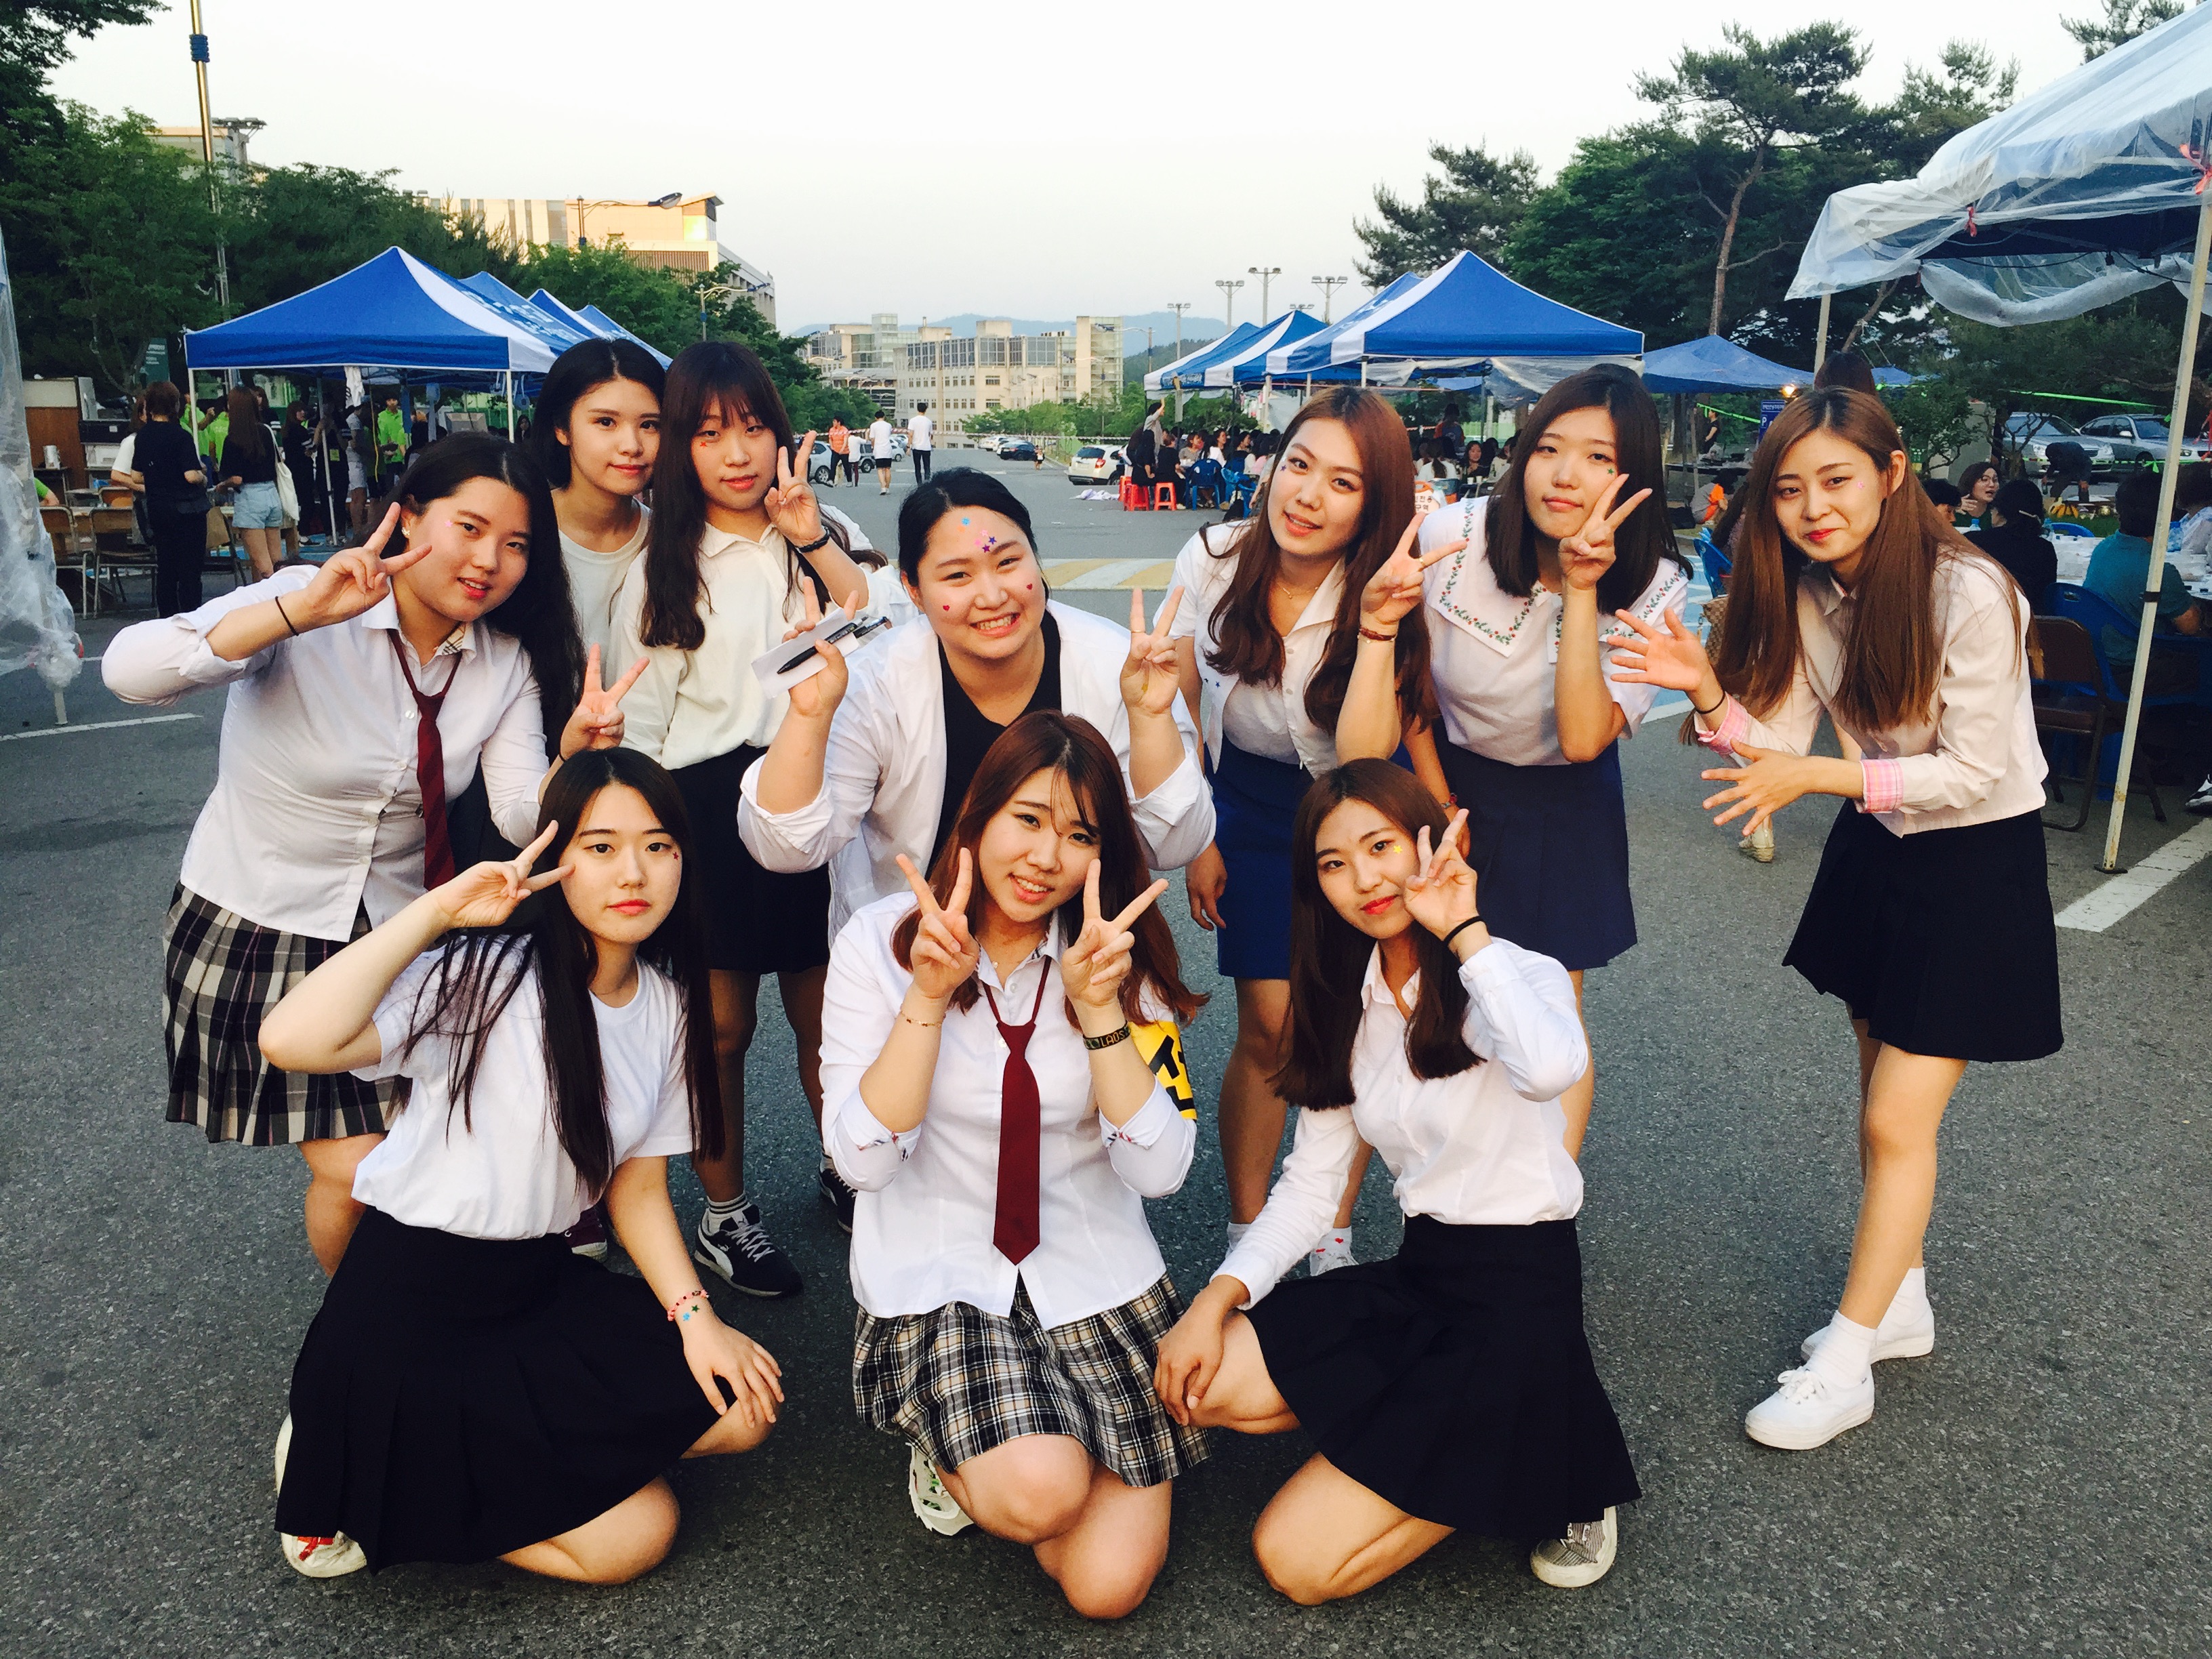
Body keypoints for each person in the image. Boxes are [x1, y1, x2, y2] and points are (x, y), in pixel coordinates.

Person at [1610, 386, 2061, 1450]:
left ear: (1893, 475)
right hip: (1880, 846)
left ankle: (1847, 1365)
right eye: (1789, 489)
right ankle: (1899, 1301)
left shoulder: (1973, 590)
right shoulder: (1817, 590)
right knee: (1875, 1097)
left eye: (1837, 479)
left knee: (1898, 1121)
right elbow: (1777, 741)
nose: (1814, 507)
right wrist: (1704, 692)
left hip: (1975, 862)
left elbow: (1974, 771)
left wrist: (1821, 776)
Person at [102, 434, 636, 1274]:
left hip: (397, 932)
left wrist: (572, 761)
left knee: (412, 1155)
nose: (489, 561)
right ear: (409, 516)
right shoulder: (306, 601)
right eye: (469, 528)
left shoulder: (503, 662)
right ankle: (364, 1337)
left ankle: (410, 1321)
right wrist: (295, 614)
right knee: (359, 1170)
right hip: (260, 921)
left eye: (517, 544)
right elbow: (131, 673)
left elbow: (515, 809)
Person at [256, 750, 780, 1580]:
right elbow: (290, 1041)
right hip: (413, 1310)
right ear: (556, 859)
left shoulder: (669, 1006)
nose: (633, 873)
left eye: (658, 846)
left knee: (742, 1410)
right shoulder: (483, 977)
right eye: (601, 848)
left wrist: (696, 1318)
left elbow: (639, 1186)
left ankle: (421, 1460)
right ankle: (356, 1469)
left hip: (539, 1288)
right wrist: (436, 913)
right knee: (635, 1539)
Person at [1151, 760, 1637, 1601]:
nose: (1364, 879)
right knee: (1206, 1382)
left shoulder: (1515, 970)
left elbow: (1552, 1069)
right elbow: (1311, 1188)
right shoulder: (1346, 1003)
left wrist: (1465, 931)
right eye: (1334, 863)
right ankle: (1454, 1434)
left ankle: (1554, 1457)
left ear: (1430, 842)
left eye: (1380, 847)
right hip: (1424, 1275)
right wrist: (1212, 1303)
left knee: (1295, 1563)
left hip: (1522, 1299)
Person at [737, 468, 1213, 1225]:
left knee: (1075, 1144)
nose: (992, 595)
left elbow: (1173, 837)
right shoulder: (878, 678)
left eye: (1009, 561)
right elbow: (788, 845)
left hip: (1069, 951)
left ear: (1037, 560)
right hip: (921, 955)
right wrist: (810, 716)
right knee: (903, 1154)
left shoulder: (1110, 663)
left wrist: (1152, 718)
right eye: (956, 575)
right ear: (913, 590)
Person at [821, 711, 1206, 1616]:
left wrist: (1101, 1011)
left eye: (1079, 835)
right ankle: (952, 1442)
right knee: (1041, 1492)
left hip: (1091, 1273)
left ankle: (1030, 1437)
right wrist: (927, 996)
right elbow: (862, 1164)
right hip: (945, 1275)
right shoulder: (879, 944)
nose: (1045, 857)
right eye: (1027, 819)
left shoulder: (1118, 956)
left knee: (1107, 1589)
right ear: (979, 815)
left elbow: (1162, 1172)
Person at [1339, 364, 1692, 1162]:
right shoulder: (1452, 537)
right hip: (1445, 777)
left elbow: (1583, 738)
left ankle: (1545, 1197)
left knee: (1546, 1008)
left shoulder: (1657, 585)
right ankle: (1431, 1182)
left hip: (1565, 801)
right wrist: (1439, 804)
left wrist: (1582, 588)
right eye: (1549, 448)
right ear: (1522, 454)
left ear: (1634, 475)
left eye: (1599, 458)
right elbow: (1412, 687)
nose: (1565, 475)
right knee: (1421, 991)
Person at [611, 340, 869, 1298]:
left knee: (827, 1015)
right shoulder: (659, 565)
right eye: (710, 433)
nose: (737, 453)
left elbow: (867, 608)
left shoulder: (813, 531)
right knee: (719, 1029)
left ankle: (849, 1168)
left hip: (810, 786)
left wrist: (810, 535)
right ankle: (725, 1213)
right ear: (680, 447)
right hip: (703, 806)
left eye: (754, 428)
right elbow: (642, 725)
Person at [1166, 387, 1444, 1275]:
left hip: (1356, 808)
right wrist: (1198, 834)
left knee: (1350, 1023)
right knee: (1269, 1026)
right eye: (1299, 465)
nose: (1309, 495)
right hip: (1243, 803)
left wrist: (1378, 627)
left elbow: (1363, 758)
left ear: (1375, 502)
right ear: (1274, 466)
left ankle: (1329, 1229)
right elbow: (1178, 704)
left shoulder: (1390, 580)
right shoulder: (1214, 558)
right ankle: (1250, 1229)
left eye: (1344, 482)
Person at [534, 338, 665, 667]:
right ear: (562, 428)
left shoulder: (670, 540)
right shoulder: (520, 535)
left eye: (649, 425)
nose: (631, 445)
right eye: (606, 422)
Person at [2085, 468, 2203, 688]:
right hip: (2137, 671)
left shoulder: (2104, 549)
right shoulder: (2158, 572)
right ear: (2169, 515)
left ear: (2119, 511)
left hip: (2097, 662)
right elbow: (2191, 626)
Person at [129, 381, 210, 617]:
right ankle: (191, 617)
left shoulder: (142, 437)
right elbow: (191, 475)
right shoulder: (181, 436)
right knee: (189, 571)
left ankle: (166, 619)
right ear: (175, 405)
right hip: (186, 512)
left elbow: (136, 475)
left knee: (166, 568)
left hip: (157, 509)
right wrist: (203, 476)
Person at [218, 386, 283, 581]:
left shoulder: (233, 438)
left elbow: (236, 479)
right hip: (272, 494)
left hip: (250, 498)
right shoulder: (266, 431)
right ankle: (283, 592)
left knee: (263, 566)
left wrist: (222, 486)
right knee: (277, 561)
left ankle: (271, 596)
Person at [1965, 478, 2058, 613]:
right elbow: (2047, 598)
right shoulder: (2045, 549)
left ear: (1999, 511)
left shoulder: (1974, 541)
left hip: (1980, 617)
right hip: (2032, 621)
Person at [1954, 461, 1999, 529]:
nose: (1992, 485)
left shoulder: (1998, 513)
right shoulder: (1953, 509)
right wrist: (1953, 508)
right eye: (1985, 480)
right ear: (1970, 483)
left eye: (1995, 480)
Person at [375, 394, 408, 489]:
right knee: (389, 486)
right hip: (388, 457)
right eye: (389, 400)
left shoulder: (403, 415)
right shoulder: (381, 416)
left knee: (405, 485)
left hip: (403, 456)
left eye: (394, 400)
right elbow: (380, 435)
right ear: (386, 402)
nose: (392, 402)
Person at [869, 409, 897, 495]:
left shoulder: (873, 426)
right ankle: (887, 488)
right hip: (887, 448)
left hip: (879, 449)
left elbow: (872, 438)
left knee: (880, 469)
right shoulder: (888, 425)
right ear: (884, 417)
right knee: (887, 469)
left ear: (876, 418)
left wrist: (873, 447)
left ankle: (883, 487)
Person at [907, 401, 935, 485]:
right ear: (925, 410)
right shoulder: (929, 421)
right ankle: (927, 483)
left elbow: (910, 434)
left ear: (917, 409)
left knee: (917, 467)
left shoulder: (913, 421)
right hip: (926, 447)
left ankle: (919, 484)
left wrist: (909, 446)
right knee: (927, 466)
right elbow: (931, 435)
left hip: (916, 447)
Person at [825, 416, 848, 488]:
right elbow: (830, 439)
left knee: (846, 466)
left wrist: (842, 449)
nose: (833, 423)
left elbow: (845, 441)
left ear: (839, 422)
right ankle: (831, 480)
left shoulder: (844, 430)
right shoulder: (832, 430)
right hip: (835, 451)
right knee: (833, 465)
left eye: (835, 421)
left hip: (844, 452)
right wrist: (832, 446)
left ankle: (849, 480)